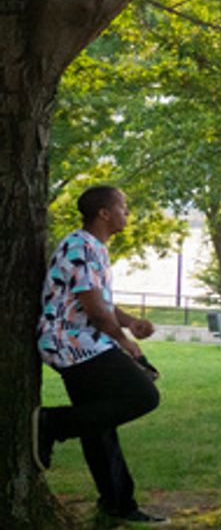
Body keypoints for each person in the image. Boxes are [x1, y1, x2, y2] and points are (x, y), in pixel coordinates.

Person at [33, 185, 165, 524]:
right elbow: (94, 310)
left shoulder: (93, 248)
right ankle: (51, 424)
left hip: (81, 343)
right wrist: (127, 344)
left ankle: (118, 504)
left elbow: (98, 301)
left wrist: (131, 322)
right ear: (104, 213)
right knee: (144, 395)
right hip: (71, 343)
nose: (127, 213)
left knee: (98, 423)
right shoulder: (80, 246)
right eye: (123, 206)